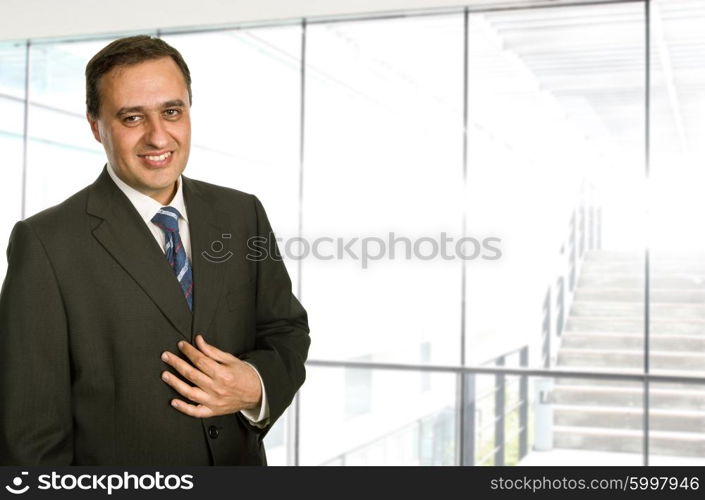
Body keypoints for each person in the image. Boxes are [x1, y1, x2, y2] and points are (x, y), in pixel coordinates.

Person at [0, 35, 310, 465]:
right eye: (132, 118)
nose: (158, 136)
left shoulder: (242, 213)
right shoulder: (46, 244)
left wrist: (255, 385)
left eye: (171, 111)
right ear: (95, 125)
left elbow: (286, 331)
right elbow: (31, 438)